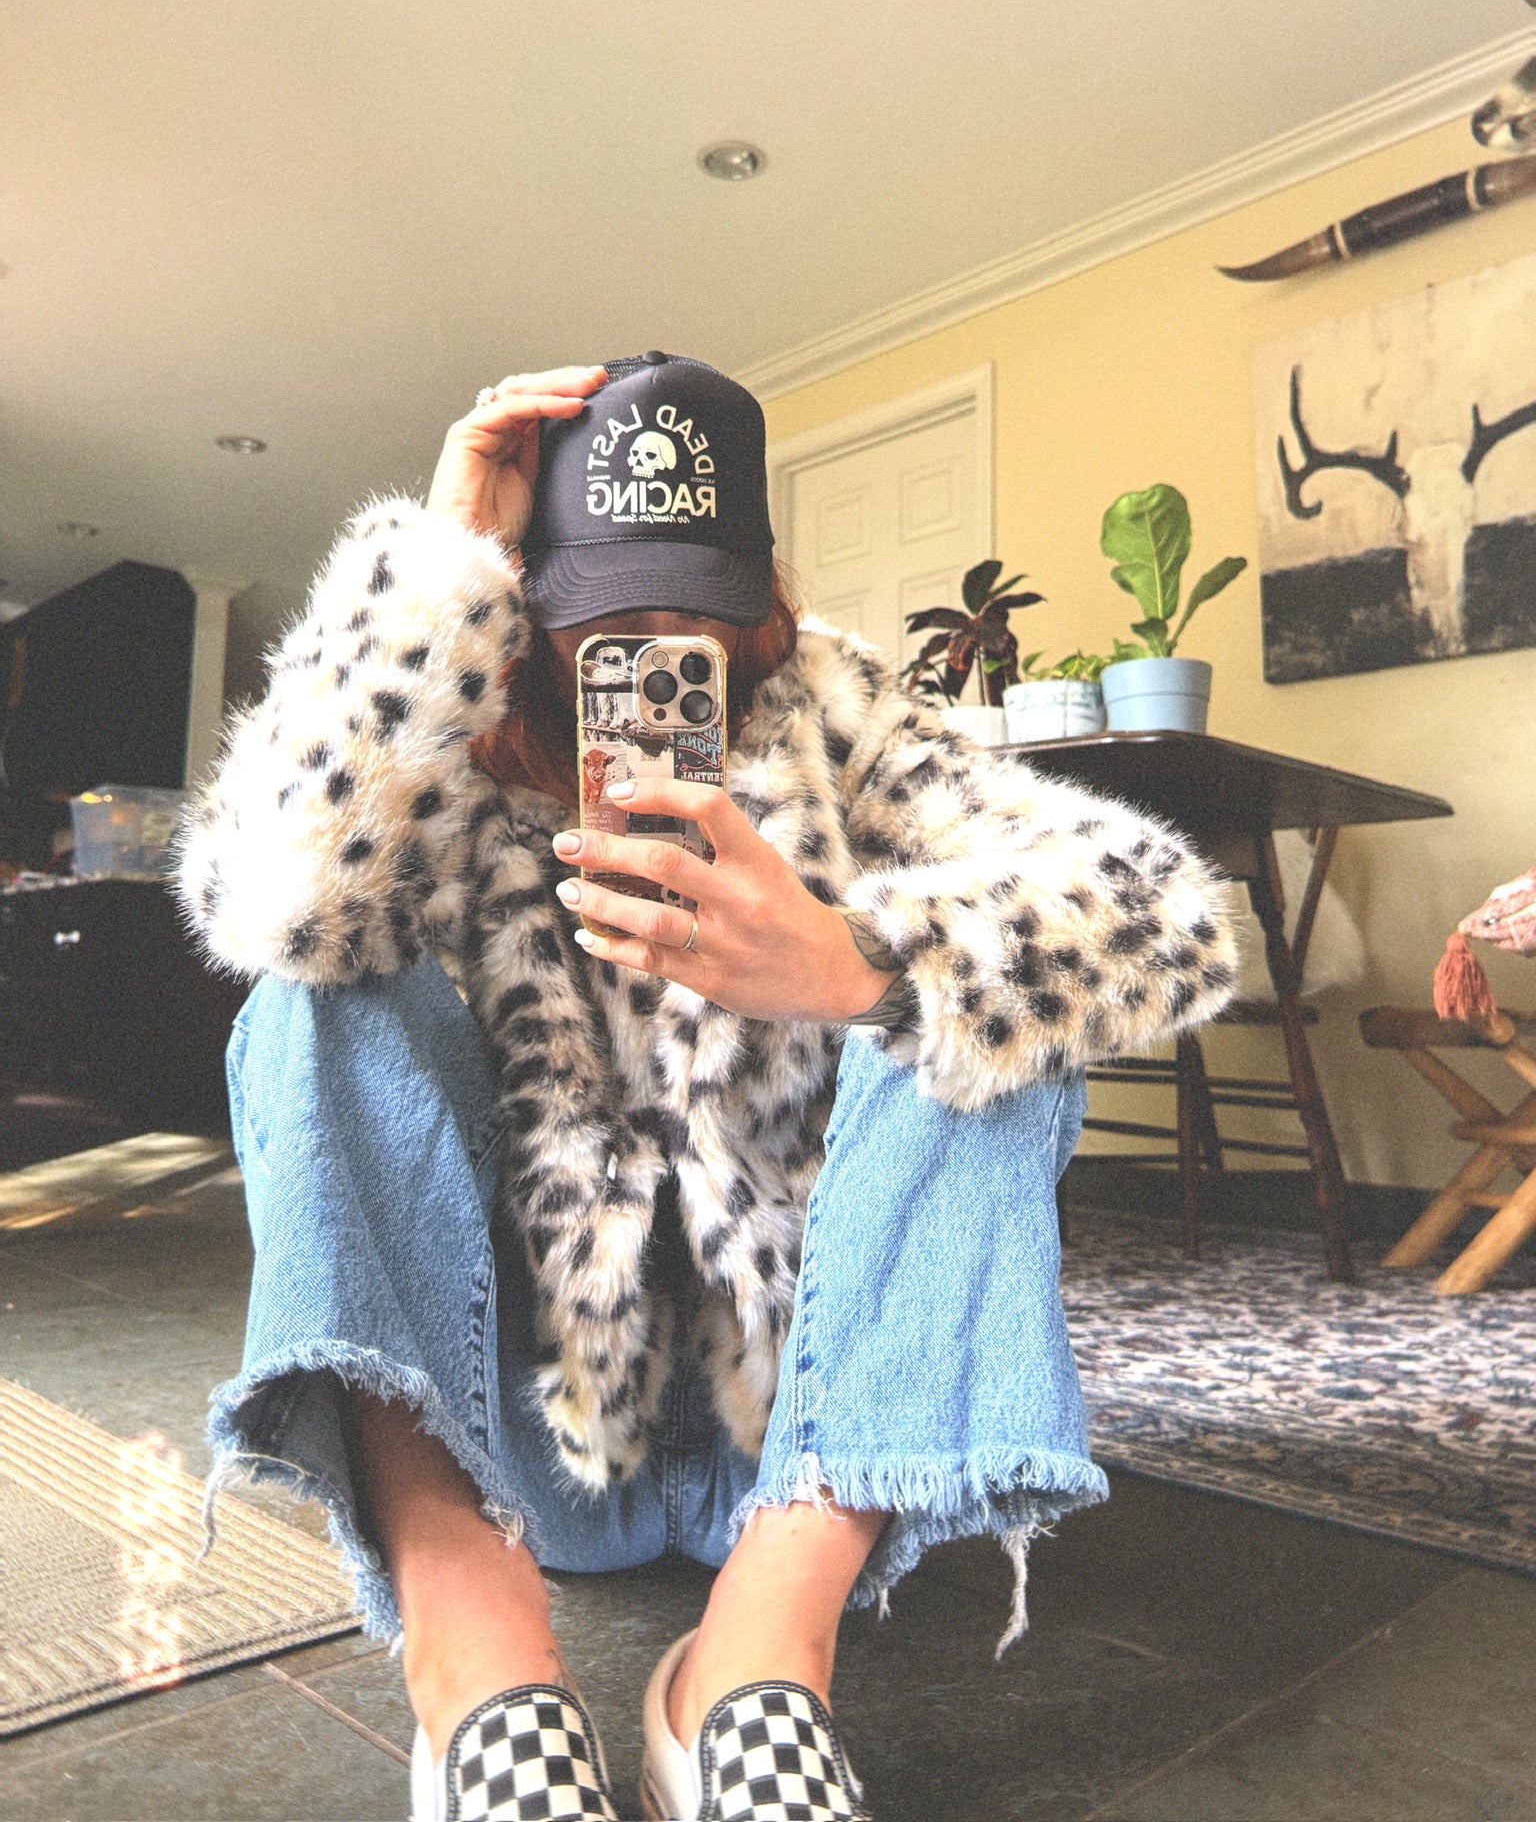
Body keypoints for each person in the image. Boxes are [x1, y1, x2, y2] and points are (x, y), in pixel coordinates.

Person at [178, 353, 1238, 1822]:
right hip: (521, 1435)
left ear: (758, 596)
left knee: (985, 1020)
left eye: (693, 610)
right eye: (607, 611)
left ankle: (754, 1665)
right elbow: (266, 908)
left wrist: (853, 959)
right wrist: (432, 577)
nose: (654, 652)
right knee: (309, 999)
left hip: (806, 1443)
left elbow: (1171, 918)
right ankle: (474, 1656)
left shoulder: (837, 714)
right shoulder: (444, 719)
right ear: (529, 587)